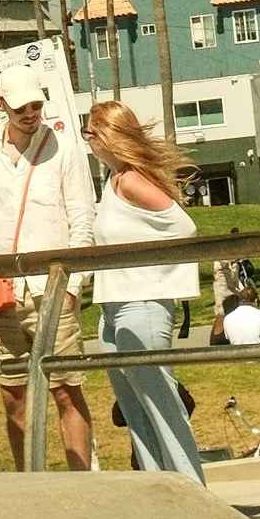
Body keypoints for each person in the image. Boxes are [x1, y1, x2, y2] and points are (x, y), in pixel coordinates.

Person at [0, 67, 96, 470]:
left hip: (53, 289)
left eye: (36, 105)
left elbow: (81, 220)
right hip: (2, 293)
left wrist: (73, 286)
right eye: (21, 106)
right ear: (1, 105)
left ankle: (81, 479)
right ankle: (27, 480)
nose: (30, 113)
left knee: (66, 391)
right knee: (13, 394)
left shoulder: (65, 148)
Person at [85, 101, 206, 481]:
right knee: (137, 414)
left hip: (142, 306)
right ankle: (159, 491)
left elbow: (183, 227)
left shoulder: (132, 180)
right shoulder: (112, 180)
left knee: (163, 409)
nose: (87, 138)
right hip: (111, 307)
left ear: (107, 135)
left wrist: (156, 275)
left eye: (91, 131)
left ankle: (192, 491)